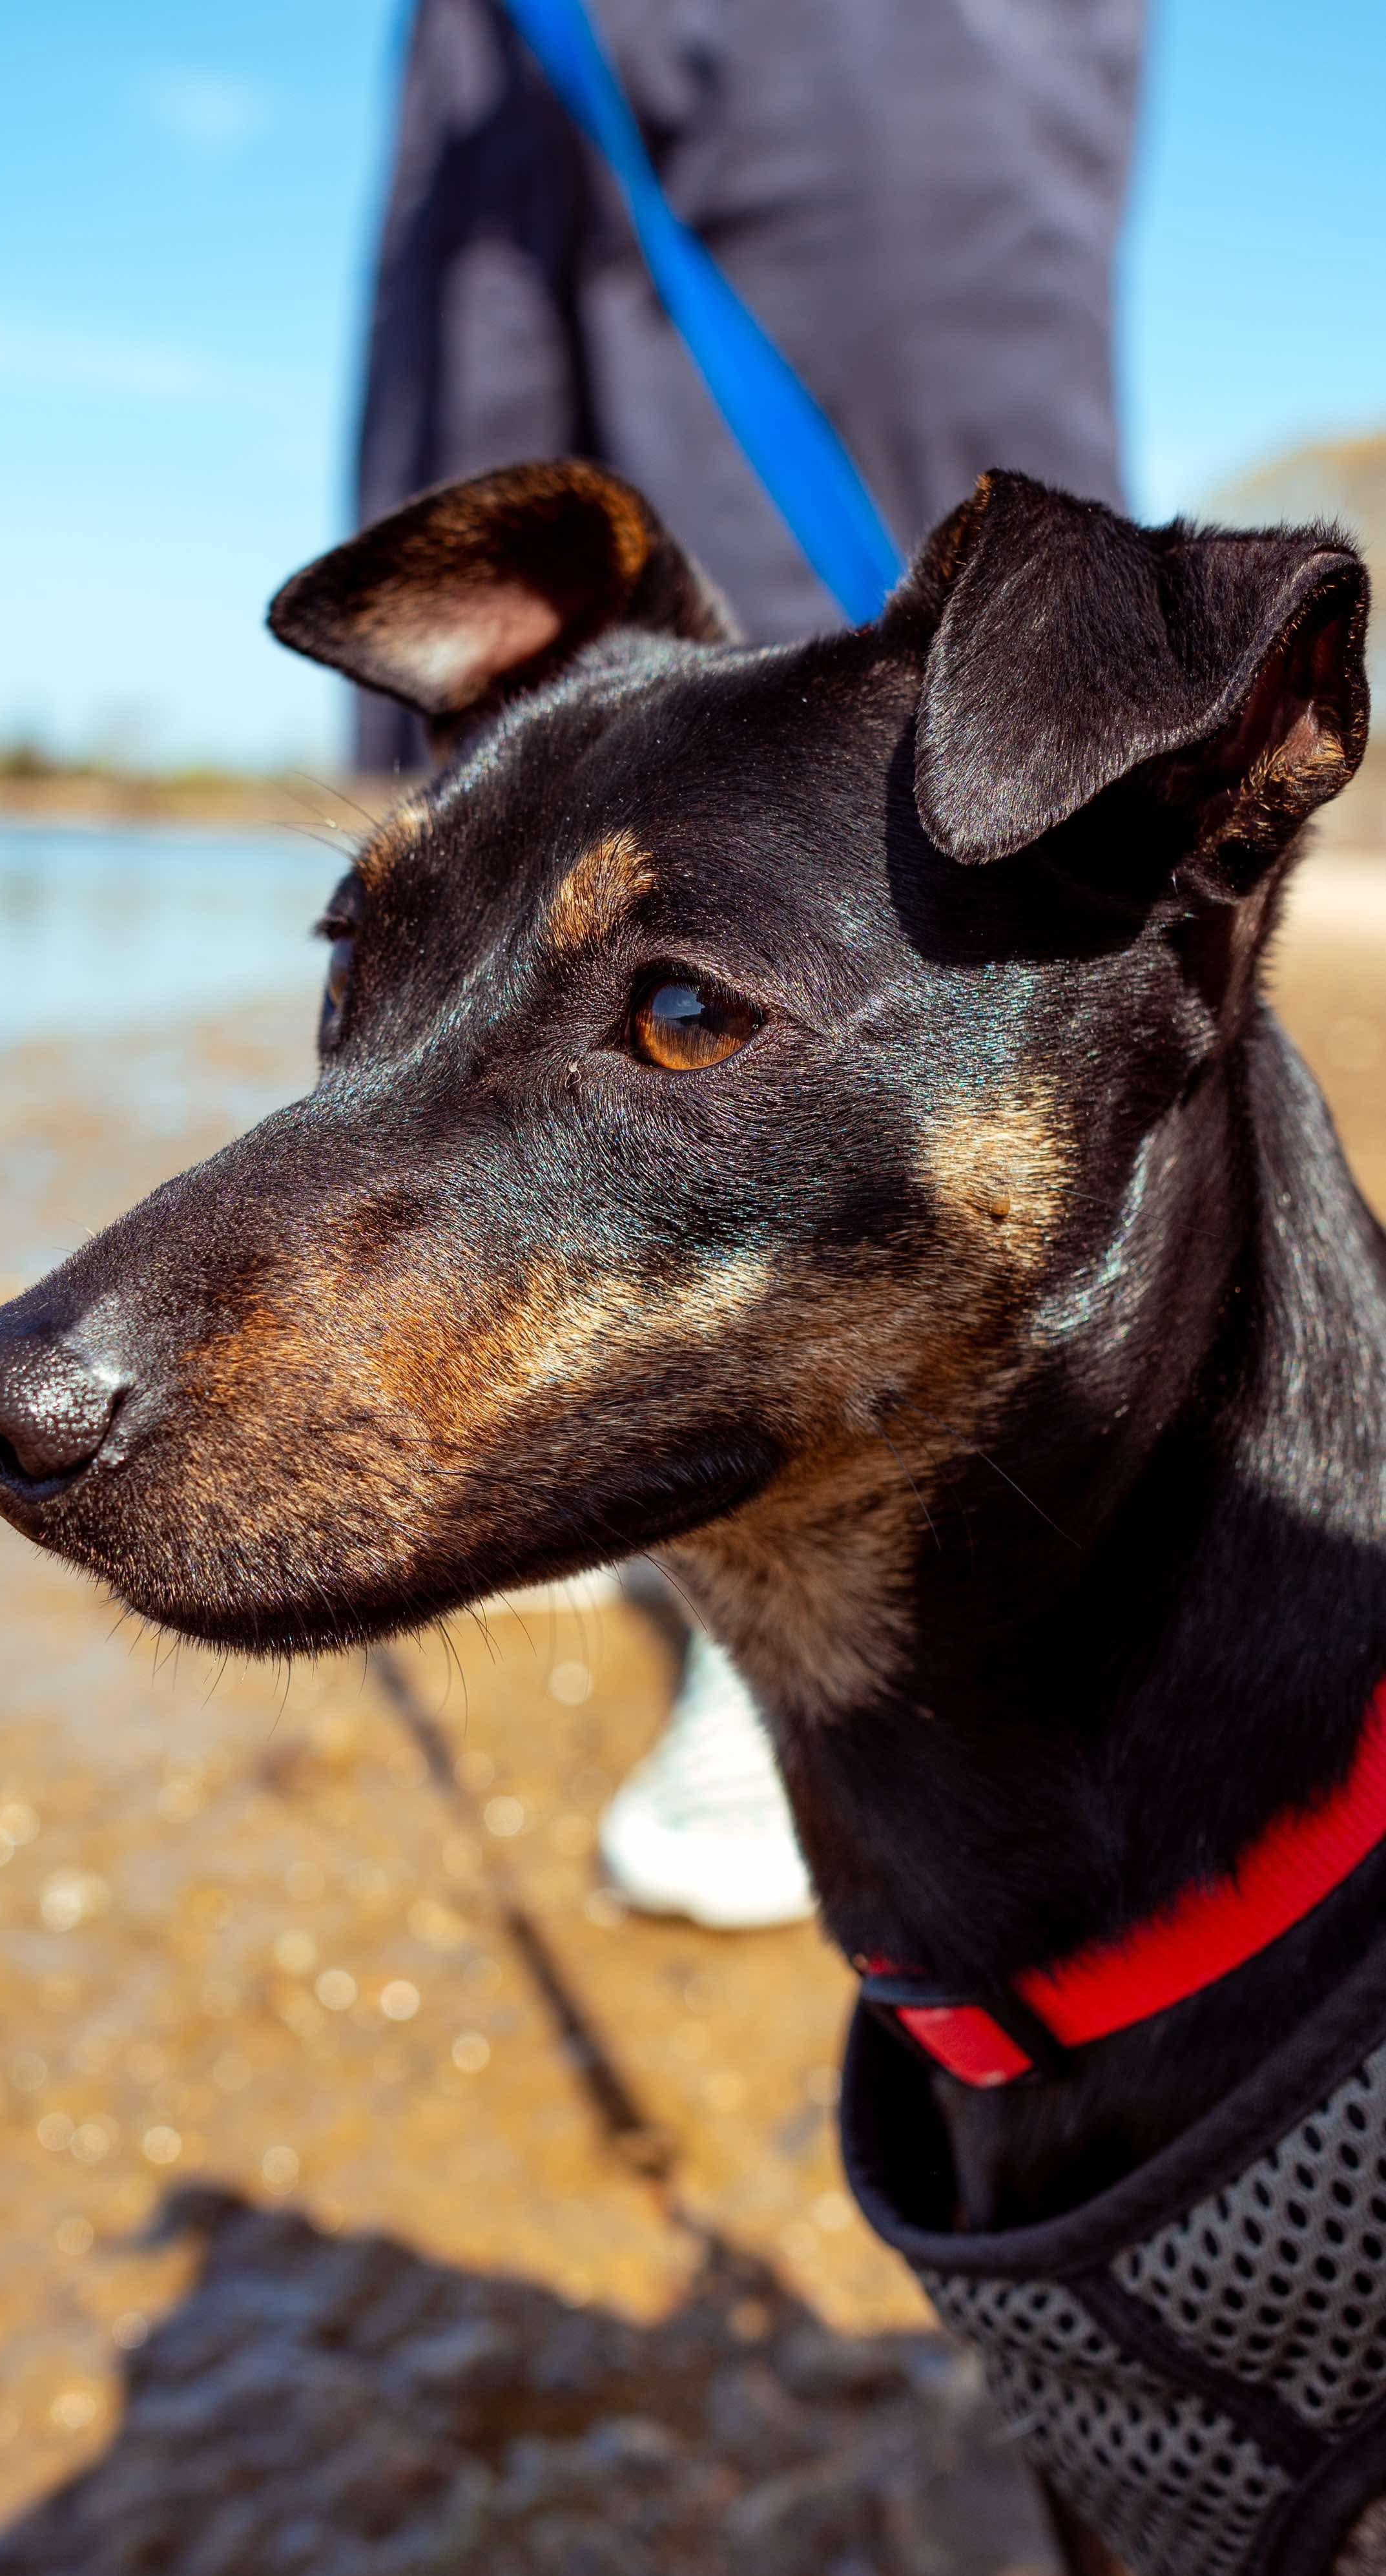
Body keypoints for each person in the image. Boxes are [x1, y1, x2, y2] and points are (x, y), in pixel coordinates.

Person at [354, 0, 1146, 1926]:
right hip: (494, 53)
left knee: (907, 635)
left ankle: (841, 1558)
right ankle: (556, 1397)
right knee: (509, 714)